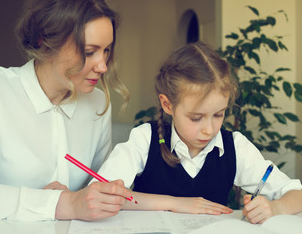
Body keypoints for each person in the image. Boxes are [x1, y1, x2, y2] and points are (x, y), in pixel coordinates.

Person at [0, 0, 132, 221]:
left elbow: (99, 188)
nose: (102, 66)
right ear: (45, 40)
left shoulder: (97, 102)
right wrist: (65, 204)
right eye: (89, 52)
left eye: (107, 50)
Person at [94, 41, 302, 224]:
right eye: (196, 118)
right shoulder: (145, 139)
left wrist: (276, 208)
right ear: (168, 105)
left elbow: (297, 194)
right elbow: (101, 194)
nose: (209, 129)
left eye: (219, 115)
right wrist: (173, 203)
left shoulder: (235, 147)